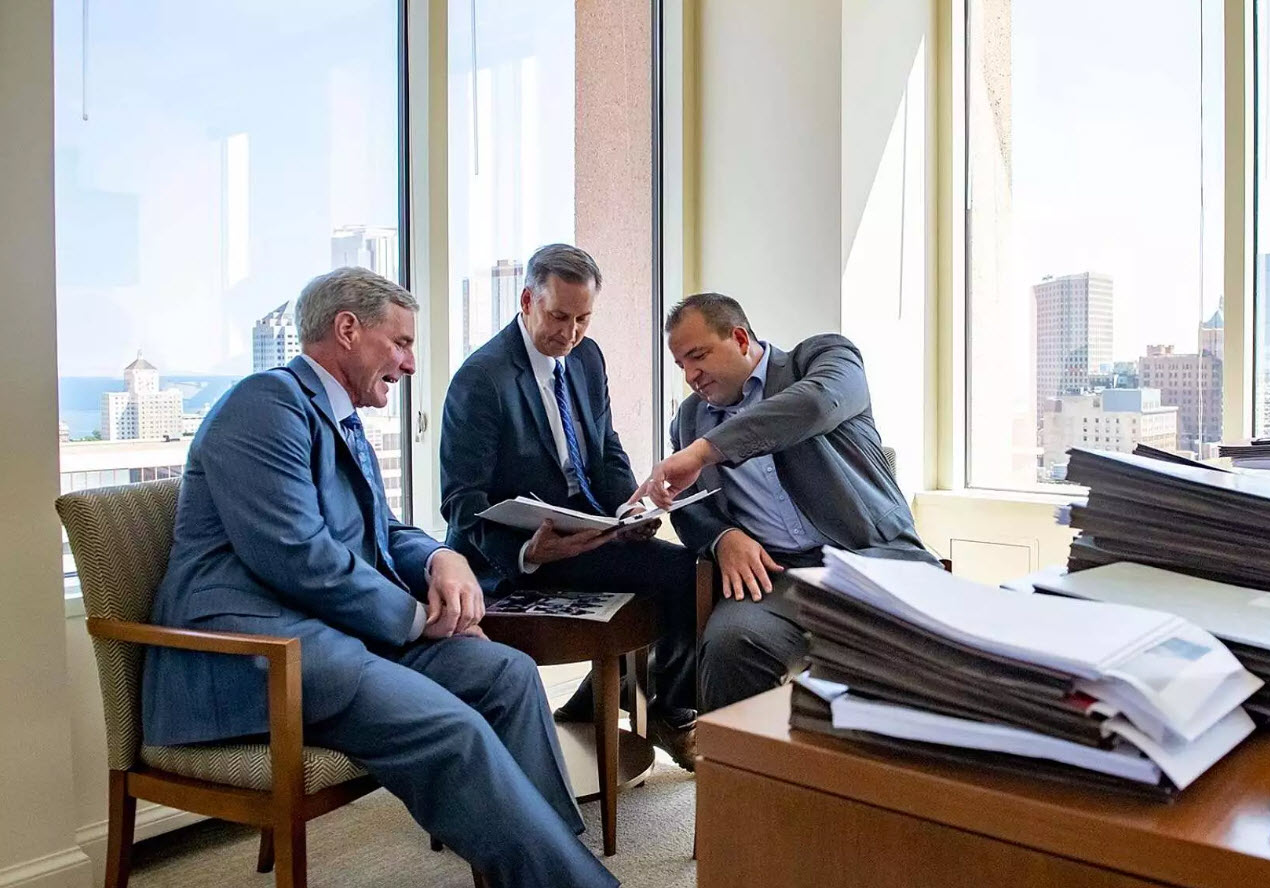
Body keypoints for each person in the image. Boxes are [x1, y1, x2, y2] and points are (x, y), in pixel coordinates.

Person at [142, 267, 616, 888]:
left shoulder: (339, 417)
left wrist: (442, 560)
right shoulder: (264, 406)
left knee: (509, 673)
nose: (411, 364)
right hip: (258, 655)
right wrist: (420, 619)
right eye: (401, 343)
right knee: (453, 730)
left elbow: (384, 531)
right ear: (347, 330)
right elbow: (297, 555)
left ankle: (549, 871)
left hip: (338, 634)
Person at [440, 243, 699, 768]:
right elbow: (460, 500)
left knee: (694, 573)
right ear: (527, 301)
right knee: (684, 578)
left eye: (583, 319)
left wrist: (628, 510)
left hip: (590, 532)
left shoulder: (586, 356)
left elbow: (605, 446)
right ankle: (669, 712)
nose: (571, 333)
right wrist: (528, 553)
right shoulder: (482, 378)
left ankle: (606, 701)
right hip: (514, 557)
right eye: (559, 317)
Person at [635, 292, 940, 713]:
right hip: (776, 576)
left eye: (698, 356)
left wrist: (706, 451)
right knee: (730, 647)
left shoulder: (822, 359)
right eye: (680, 365)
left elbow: (813, 405)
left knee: (923, 651)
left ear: (740, 338)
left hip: (873, 556)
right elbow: (690, 506)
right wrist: (723, 538)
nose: (690, 375)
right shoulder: (689, 419)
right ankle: (740, 758)